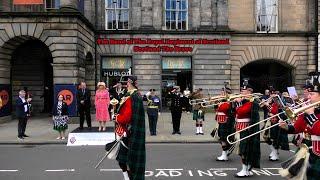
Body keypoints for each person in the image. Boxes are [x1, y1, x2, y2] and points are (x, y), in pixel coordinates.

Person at [279, 83, 320, 180]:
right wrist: (287, 127)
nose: (308, 97)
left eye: (312, 94)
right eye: (308, 94)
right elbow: (298, 127)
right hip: (306, 148)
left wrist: (311, 115)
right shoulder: (310, 109)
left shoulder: (311, 112)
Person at [115, 75, 146, 180]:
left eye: (127, 83)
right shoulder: (132, 95)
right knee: (123, 160)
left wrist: (117, 118)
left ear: (130, 83)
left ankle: (129, 178)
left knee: (127, 161)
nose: (126, 84)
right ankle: (127, 177)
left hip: (128, 133)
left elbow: (127, 117)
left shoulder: (132, 96)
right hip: (127, 132)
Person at [233, 84, 260, 177]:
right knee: (244, 149)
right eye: (241, 92)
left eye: (243, 92)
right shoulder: (245, 102)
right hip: (240, 127)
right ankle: (247, 168)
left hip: (246, 129)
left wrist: (238, 103)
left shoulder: (252, 103)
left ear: (249, 92)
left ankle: (245, 169)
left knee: (244, 150)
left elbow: (241, 111)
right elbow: (235, 113)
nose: (241, 94)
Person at [262, 89, 289, 161]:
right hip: (270, 121)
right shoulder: (272, 102)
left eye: (273, 94)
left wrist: (268, 105)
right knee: (265, 136)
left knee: (275, 138)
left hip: (277, 122)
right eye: (271, 94)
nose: (272, 95)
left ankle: (275, 153)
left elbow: (275, 111)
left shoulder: (279, 102)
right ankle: (274, 150)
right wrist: (267, 104)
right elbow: (264, 108)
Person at [215, 87, 235, 161]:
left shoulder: (230, 102)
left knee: (224, 138)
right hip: (220, 121)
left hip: (226, 122)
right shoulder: (221, 101)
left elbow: (230, 112)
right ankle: (226, 150)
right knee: (218, 137)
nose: (220, 94)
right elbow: (216, 109)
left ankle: (224, 154)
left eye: (222, 93)